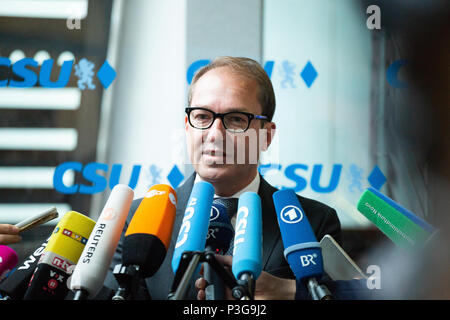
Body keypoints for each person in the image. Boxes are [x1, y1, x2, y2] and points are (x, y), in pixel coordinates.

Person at [102, 56, 342, 300]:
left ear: (267, 136)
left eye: (236, 119)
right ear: (187, 126)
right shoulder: (137, 221)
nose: (215, 134)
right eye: (202, 117)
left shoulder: (313, 222)